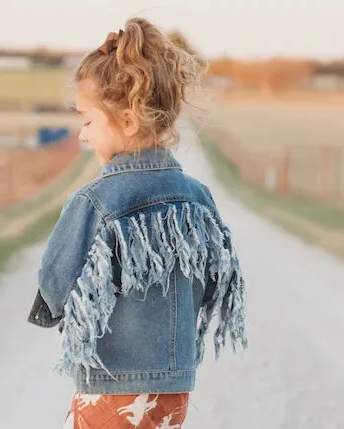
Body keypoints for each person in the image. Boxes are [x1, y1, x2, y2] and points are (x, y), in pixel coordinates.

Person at [28, 17, 248, 429]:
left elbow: (54, 281)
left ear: (128, 121)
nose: (82, 134)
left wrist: (55, 310)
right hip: (175, 384)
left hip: (113, 382)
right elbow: (215, 279)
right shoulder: (196, 197)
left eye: (88, 120)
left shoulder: (96, 199)